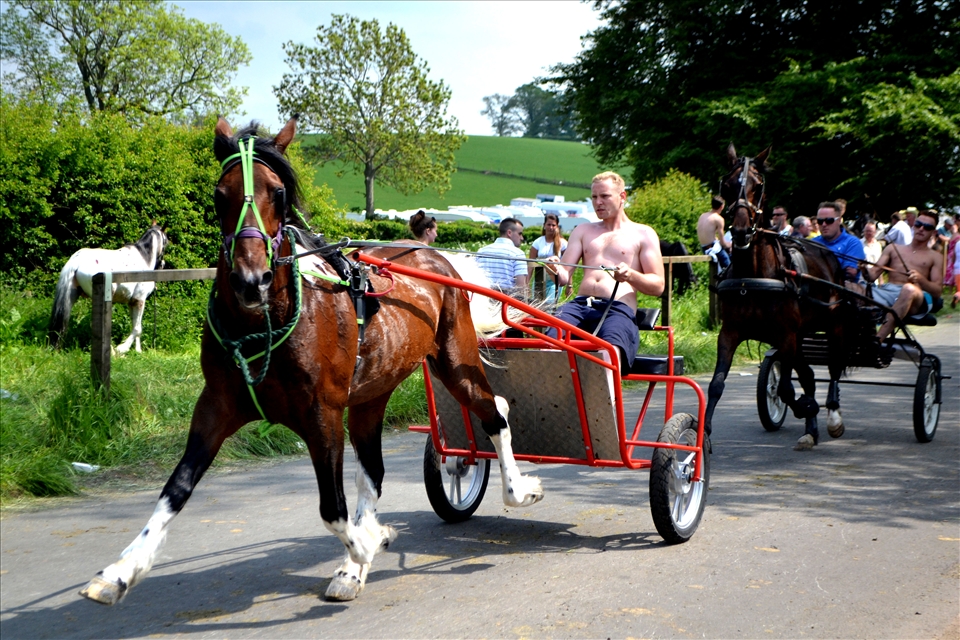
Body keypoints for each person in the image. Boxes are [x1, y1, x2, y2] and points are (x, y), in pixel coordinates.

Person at [546, 171, 664, 374]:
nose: (598, 202)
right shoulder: (583, 230)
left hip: (617, 309)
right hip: (580, 305)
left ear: (622, 197)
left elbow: (658, 286)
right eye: (594, 197)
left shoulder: (643, 233)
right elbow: (563, 277)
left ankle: (605, 402)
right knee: (548, 343)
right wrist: (554, 269)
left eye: (605, 196)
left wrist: (631, 275)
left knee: (609, 353)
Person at [858, 209, 943, 341]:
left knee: (908, 289)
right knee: (850, 287)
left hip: (917, 296)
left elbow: (937, 291)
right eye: (918, 224)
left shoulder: (936, 257)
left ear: (933, 232)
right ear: (913, 225)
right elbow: (872, 275)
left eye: (927, 227)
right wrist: (863, 268)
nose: (921, 229)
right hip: (887, 292)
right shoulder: (892, 248)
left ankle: (876, 341)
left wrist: (920, 279)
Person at [812, 201, 865, 281]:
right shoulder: (812, 243)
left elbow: (850, 274)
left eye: (829, 220)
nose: (824, 224)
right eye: (820, 221)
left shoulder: (852, 242)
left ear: (839, 220)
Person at [477, 217, 527, 293]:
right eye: (519, 234)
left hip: (484, 300)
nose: (522, 238)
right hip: (506, 302)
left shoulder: (481, 251)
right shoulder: (518, 254)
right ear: (509, 233)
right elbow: (521, 289)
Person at [528, 213, 567, 302]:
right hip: (539, 278)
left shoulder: (563, 243)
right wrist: (527, 283)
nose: (551, 227)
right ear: (544, 225)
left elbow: (567, 266)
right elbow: (530, 264)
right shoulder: (537, 242)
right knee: (537, 305)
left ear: (557, 226)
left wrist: (569, 285)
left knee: (549, 305)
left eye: (553, 225)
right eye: (548, 224)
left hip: (554, 279)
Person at [696, 196, 731, 270]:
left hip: (703, 247)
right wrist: (730, 245)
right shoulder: (719, 219)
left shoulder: (703, 215)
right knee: (729, 268)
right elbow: (723, 243)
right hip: (712, 247)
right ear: (722, 206)